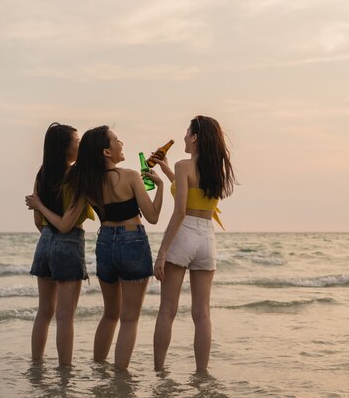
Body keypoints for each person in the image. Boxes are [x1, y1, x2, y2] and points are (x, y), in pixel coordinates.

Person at [66, 125, 164, 369]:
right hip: (133, 240)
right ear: (107, 152)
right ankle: (120, 379)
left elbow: (70, 216)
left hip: (105, 241)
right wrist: (160, 187)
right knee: (129, 319)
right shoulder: (129, 176)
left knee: (110, 314)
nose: (121, 144)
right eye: (117, 140)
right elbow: (152, 216)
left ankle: (99, 369)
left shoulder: (87, 182)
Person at [152, 115, 234, 371]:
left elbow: (180, 211)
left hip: (184, 233)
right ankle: (201, 373)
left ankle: (159, 371)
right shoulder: (216, 170)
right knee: (202, 314)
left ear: (196, 137)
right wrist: (166, 168)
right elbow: (191, 191)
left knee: (167, 310)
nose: (185, 136)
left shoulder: (183, 165)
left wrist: (162, 252)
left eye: (188, 132)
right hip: (207, 238)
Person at [26, 122, 94, 366]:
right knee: (65, 317)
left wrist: (42, 210)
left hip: (44, 243)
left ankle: (37, 366)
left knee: (44, 312)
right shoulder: (77, 176)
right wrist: (44, 208)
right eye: (76, 142)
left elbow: (38, 222)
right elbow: (66, 225)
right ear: (65, 148)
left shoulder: (42, 173)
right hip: (69, 243)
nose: (80, 145)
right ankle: (64, 373)